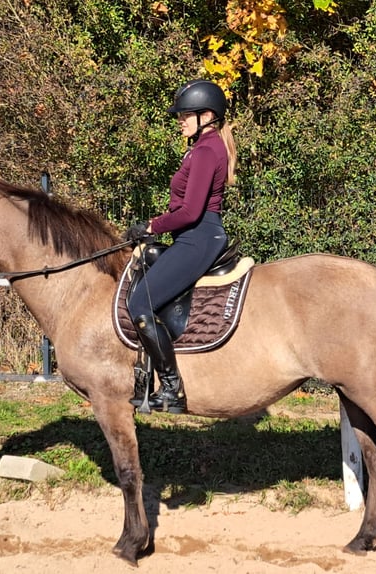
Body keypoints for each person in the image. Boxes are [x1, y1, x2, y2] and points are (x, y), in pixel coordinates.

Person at [125, 79, 238, 414]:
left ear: (207, 115)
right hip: (193, 236)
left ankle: (172, 389)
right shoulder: (206, 146)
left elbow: (189, 212)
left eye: (186, 114)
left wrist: (151, 225)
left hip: (198, 237)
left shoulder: (205, 151)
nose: (180, 119)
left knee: (140, 305)